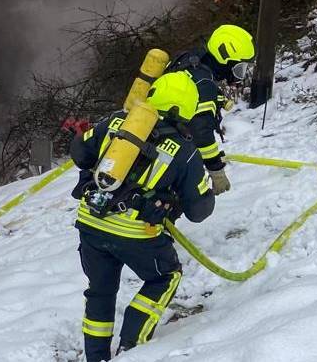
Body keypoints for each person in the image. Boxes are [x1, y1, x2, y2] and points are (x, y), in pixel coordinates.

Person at [69, 71, 216, 362]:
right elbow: (199, 211)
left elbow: (79, 152)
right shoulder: (185, 151)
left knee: (100, 292)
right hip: (137, 234)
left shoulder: (115, 122)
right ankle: (131, 349)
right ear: (187, 109)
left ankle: (96, 358)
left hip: (91, 223)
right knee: (165, 277)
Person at [166, 24, 256, 195]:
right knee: (199, 205)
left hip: (157, 134)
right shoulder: (205, 84)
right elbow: (202, 135)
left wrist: (218, 97)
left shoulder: (190, 60)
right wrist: (217, 172)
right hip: (170, 151)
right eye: (239, 67)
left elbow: (188, 93)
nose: (239, 75)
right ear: (225, 59)